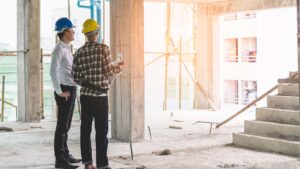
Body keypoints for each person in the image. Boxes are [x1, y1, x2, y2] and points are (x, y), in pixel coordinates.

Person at [72, 19, 124, 169]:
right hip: (100, 98)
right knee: (101, 132)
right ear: (96, 33)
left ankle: (88, 163)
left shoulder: (79, 52)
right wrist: (119, 68)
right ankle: (102, 165)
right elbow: (108, 71)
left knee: (85, 129)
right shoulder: (103, 49)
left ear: (86, 35)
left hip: (85, 97)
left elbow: (75, 77)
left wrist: (88, 82)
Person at [50, 17, 81, 169]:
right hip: (65, 89)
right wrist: (59, 91)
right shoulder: (59, 49)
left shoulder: (67, 48)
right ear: (64, 32)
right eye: (71, 30)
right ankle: (60, 160)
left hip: (70, 88)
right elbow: (52, 71)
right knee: (62, 126)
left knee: (66, 125)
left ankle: (65, 154)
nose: (74, 32)